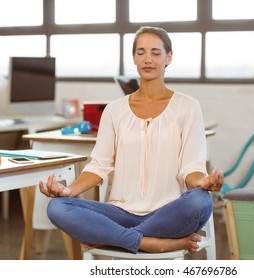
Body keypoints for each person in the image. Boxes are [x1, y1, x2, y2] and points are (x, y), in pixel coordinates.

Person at [39, 26, 224, 254]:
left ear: (169, 57)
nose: (148, 59)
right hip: (120, 213)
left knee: (200, 201)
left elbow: (191, 168)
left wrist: (202, 183)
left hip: (169, 213)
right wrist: (69, 191)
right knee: (57, 207)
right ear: (134, 58)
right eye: (141, 52)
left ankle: (113, 238)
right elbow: (99, 165)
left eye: (156, 53)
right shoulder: (114, 110)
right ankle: (149, 243)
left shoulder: (188, 106)